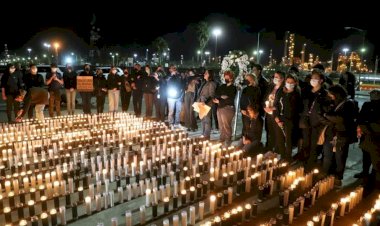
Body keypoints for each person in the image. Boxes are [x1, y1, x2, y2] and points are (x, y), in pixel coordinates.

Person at [213, 71, 237, 146]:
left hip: (228, 108)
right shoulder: (222, 86)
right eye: (225, 76)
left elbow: (229, 98)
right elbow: (216, 93)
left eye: (227, 77)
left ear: (231, 78)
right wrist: (220, 97)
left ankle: (228, 139)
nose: (225, 78)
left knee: (226, 125)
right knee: (221, 124)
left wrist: (221, 98)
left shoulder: (233, 87)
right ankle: (222, 137)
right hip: (220, 107)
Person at [197, 69, 217, 139]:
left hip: (207, 103)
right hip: (201, 102)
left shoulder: (211, 83)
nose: (204, 74)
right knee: (202, 119)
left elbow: (212, 95)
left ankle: (206, 135)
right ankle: (203, 133)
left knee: (207, 120)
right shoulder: (204, 82)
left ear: (209, 75)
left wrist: (205, 102)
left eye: (206, 73)